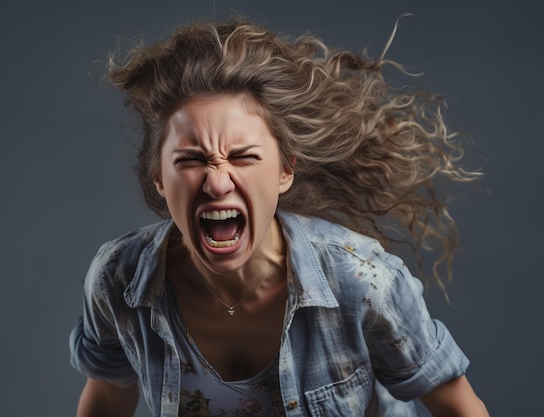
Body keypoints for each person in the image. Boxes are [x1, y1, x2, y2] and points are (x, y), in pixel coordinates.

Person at [69, 19, 490, 417]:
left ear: (285, 170)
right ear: (159, 177)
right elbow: (106, 400)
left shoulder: (364, 282)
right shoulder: (118, 280)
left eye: (244, 156)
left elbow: (459, 407)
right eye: (191, 159)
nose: (217, 183)